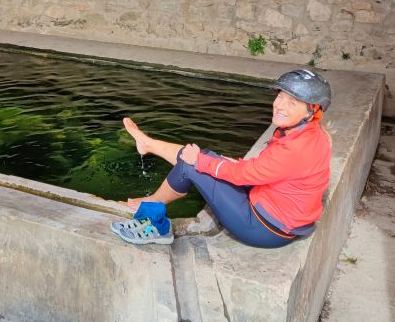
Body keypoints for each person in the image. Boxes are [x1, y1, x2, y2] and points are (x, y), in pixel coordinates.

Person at [115, 69, 332, 248]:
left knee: (192, 164)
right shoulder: (312, 134)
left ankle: (154, 220)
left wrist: (201, 162)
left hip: (264, 229)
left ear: (310, 112)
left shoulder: (295, 147)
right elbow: (266, 170)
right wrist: (211, 161)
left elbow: (243, 175)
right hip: (276, 215)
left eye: (292, 103)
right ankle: (149, 146)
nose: (280, 105)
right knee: (204, 157)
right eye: (280, 97)